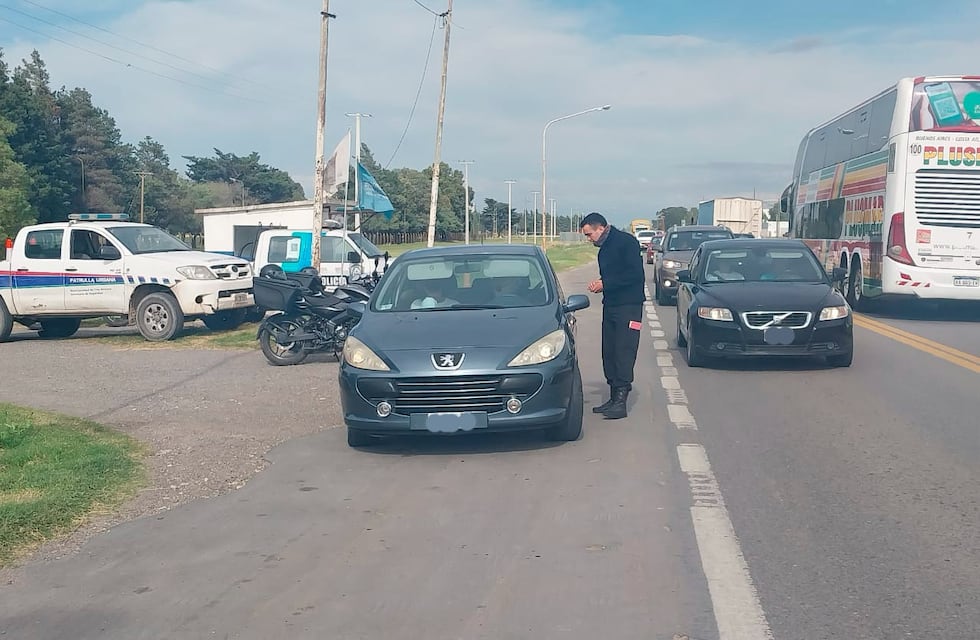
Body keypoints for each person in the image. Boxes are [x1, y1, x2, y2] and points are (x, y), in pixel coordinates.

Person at [579, 212, 646, 420]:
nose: (588, 239)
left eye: (589, 234)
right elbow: (613, 273)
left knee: (624, 350)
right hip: (612, 305)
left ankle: (621, 400)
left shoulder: (626, 243)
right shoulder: (604, 249)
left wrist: (606, 283)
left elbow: (635, 275)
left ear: (600, 228)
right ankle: (612, 395)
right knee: (609, 351)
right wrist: (601, 282)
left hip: (629, 306)